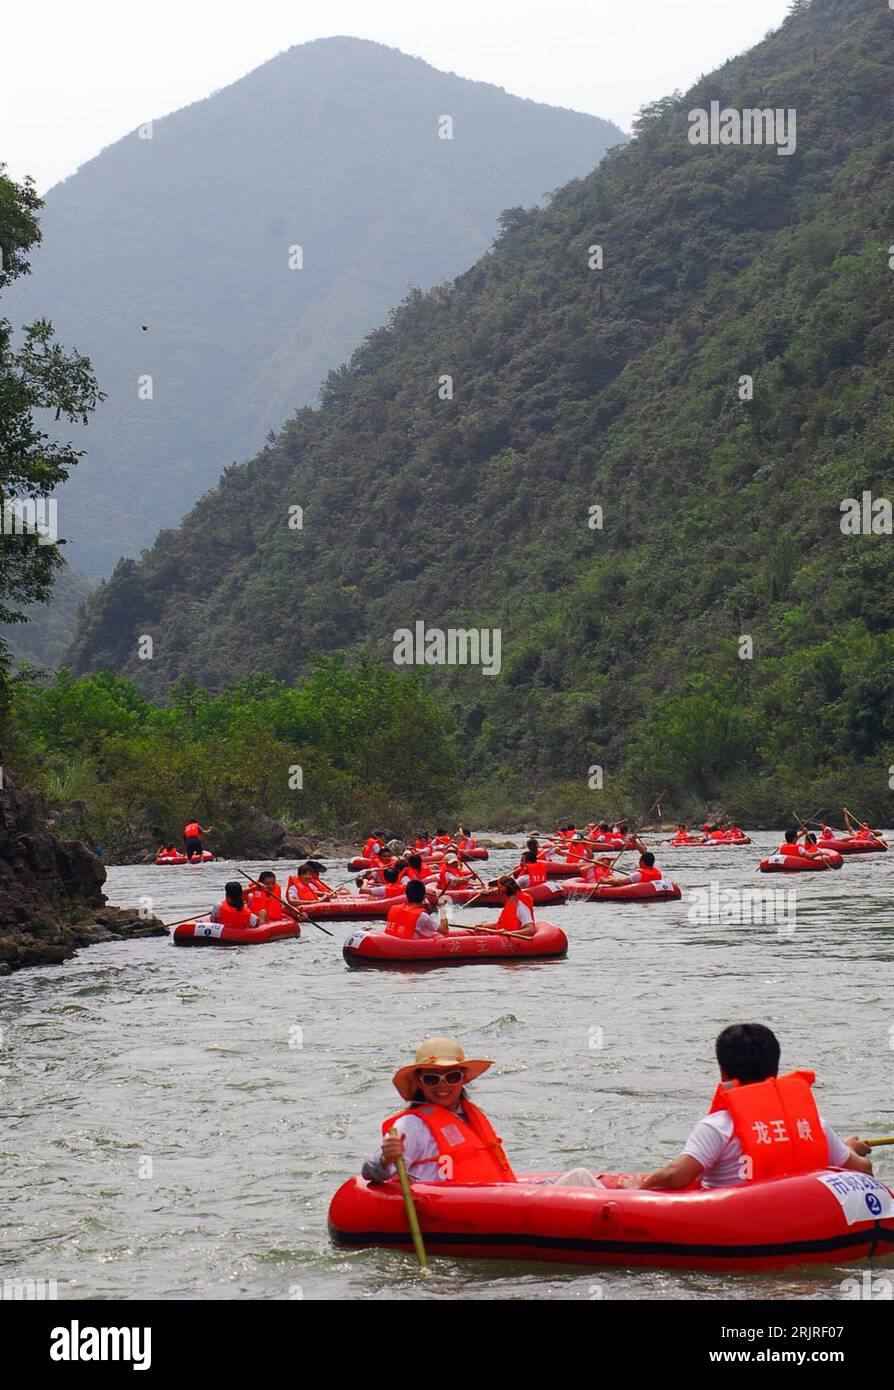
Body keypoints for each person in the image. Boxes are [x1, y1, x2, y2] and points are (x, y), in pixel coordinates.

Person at [620, 1024, 872, 1191]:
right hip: (803, 1226)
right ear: (775, 1067)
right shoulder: (811, 1124)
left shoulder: (719, 1126)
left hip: (735, 1227)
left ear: (723, 1072)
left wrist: (639, 1187)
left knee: (579, 1176)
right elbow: (864, 1169)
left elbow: (675, 1176)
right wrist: (847, 1150)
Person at [361, 1036, 517, 1184]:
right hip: (438, 1208)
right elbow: (369, 1172)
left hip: (482, 1205)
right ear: (419, 1082)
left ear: (463, 1079)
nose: (442, 1085)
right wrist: (385, 1159)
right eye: (431, 1079)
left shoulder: (470, 1117)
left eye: (452, 1077)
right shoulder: (410, 1125)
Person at [383, 879, 449, 938]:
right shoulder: (422, 916)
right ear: (423, 897)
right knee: (440, 936)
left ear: (406, 895)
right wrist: (441, 907)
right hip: (406, 945)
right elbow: (445, 930)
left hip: (393, 939)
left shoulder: (393, 908)